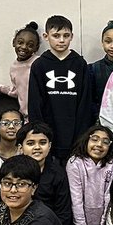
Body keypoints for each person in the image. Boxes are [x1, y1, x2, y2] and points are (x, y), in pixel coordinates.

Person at [28, 14, 94, 163]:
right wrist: (40, 134)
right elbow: (35, 102)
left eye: (66, 35)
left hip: (75, 135)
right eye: (56, 36)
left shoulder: (79, 64)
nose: (62, 40)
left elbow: (85, 102)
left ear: (72, 36)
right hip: (49, 135)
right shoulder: (39, 65)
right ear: (46, 36)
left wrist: (81, 135)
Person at [11, 123, 73, 225]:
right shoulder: (11, 170)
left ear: (49, 146)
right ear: (20, 147)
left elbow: (64, 213)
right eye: (30, 143)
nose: (37, 147)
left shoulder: (58, 174)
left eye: (43, 143)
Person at [0, 21, 41, 116]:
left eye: (30, 45)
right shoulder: (14, 67)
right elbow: (17, 91)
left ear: (36, 48)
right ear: (14, 42)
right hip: (26, 116)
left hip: (42, 116)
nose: (24, 47)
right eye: (20, 42)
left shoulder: (39, 63)